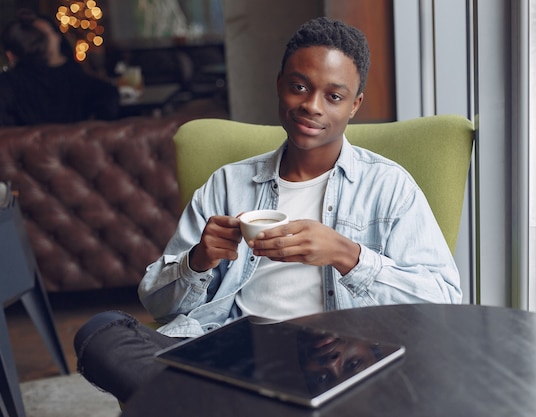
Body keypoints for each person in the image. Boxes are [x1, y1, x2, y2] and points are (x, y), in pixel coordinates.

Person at [73, 16, 462, 403]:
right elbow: (156, 302)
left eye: (334, 96)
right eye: (299, 87)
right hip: (231, 350)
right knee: (102, 332)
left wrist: (348, 256)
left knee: (177, 393)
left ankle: (204, 403)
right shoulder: (227, 184)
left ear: (354, 105)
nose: (311, 106)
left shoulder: (389, 187)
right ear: (280, 86)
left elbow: (443, 303)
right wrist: (198, 259)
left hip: (330, 361)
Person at [0, 9, 119, 126]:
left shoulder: (76, 78)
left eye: (44, 35)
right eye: (36, 35)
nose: (42, 41)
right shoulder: (11, 84)